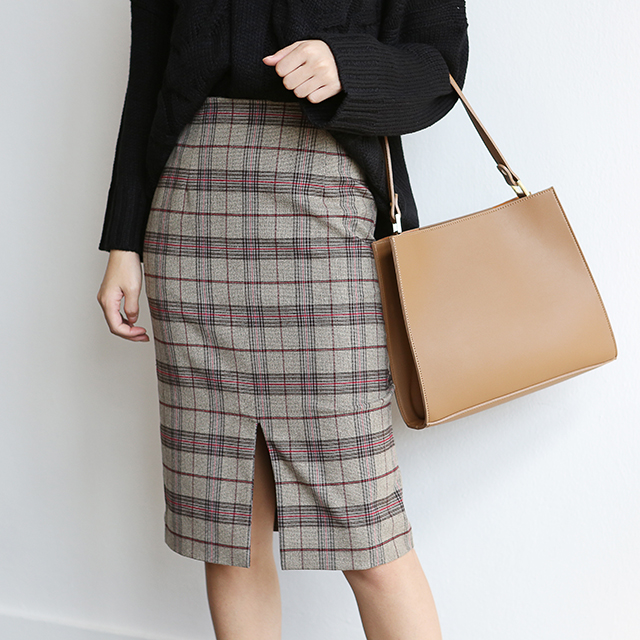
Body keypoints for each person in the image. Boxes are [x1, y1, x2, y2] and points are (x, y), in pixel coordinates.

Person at [97, 1, 469, 638]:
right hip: (191, 206)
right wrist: (124, 241)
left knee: (368, 528)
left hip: (328, 204)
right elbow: (149, 72)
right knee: (228, 525)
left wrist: (346, 65)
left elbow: (443, 70)